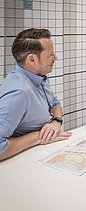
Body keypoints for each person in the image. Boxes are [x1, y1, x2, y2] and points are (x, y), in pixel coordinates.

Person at [0, 28, 72, 161]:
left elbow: (55, 104)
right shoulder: (18, 92)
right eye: (50, 55)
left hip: (46, 151)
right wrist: (38, 136)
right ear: (32, 60)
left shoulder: (39, 76)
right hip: (26, 161)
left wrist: (56, 121)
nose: (55, 58)